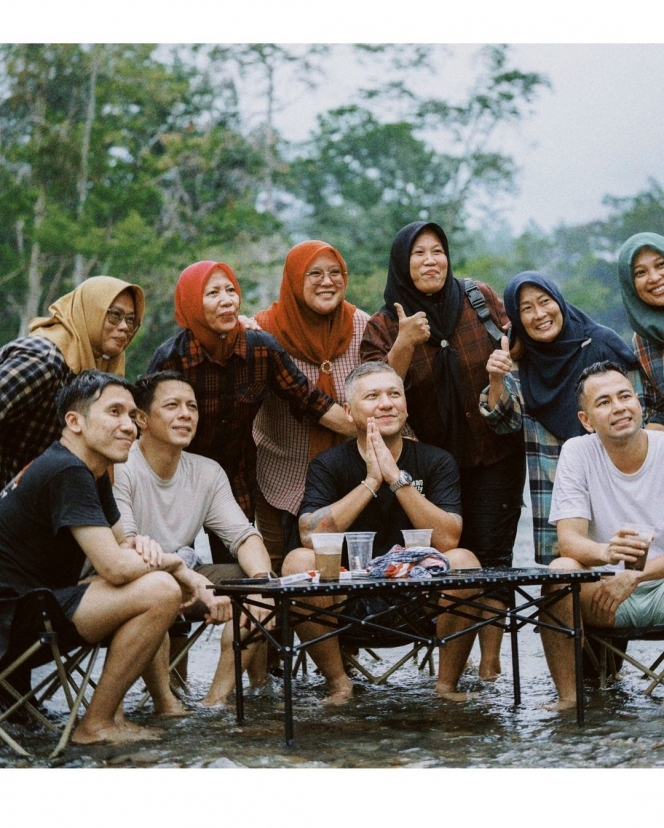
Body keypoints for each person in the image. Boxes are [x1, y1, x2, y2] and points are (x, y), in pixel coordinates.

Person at [360, 221, 525, 679]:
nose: (430, 261)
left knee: (492, 560)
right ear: (400, 264)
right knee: (442, 561)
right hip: (429, 465)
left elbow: (517, 345)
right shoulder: (383, 324)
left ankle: (490, 669)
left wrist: (505, 368)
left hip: (494, 453)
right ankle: (450, 666)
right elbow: (375, 391)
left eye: (437, 251)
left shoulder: (478, 298)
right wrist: (405, 343)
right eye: (418, 254)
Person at [0, 370, 201, 745]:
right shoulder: (66, 470)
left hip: (33, 605)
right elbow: (115, 566)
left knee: (150, 582)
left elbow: (122, 546)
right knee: (158, 589)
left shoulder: (91, 470)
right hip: (12, 621)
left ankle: (119, 714)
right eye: (114, 412)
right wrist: (175, 565)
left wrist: (147, 554)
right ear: (74, 422)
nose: (129, 426)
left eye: (131, 415)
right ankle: (96, 725)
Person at [281, 362, 482, 704]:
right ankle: (339, 684)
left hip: (419, 601)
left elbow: (449, 540)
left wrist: (396, 479)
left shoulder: (436, 461)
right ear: (348, 411)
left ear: (406, 404)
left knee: (464, 561)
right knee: (297, 562)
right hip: (348, 602)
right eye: (372, 396)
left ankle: (446, 687)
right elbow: (309, 536)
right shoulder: (328, 464)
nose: (386, 403)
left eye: (394, 394)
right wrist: (371, 481)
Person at [147, 260, 355, 563]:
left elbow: (309, 398)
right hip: (177, 474)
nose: (226, 300)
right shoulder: (170, 358)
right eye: (213, 293)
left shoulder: (260, 347)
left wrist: (368, 430)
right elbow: (145, 423)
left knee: (236, 563)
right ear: (191, 302)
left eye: (231, 290)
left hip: (235, 476)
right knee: (175, 562)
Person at [112, 370, 275, 710]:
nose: (186, 414)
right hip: (129, 580)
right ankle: (167, 706)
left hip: (188, 575)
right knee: (156, 587)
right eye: (172, 405)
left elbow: (243, 536)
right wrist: (187, 578)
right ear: (141, 418)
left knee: (262, 591)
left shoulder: (206, 471)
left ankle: (215, 701)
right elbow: (124, 546)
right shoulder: (122, 467)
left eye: (192, 407)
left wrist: (262, 582)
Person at [481, 271, 641, 564]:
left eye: (544, 301)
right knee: (562, 572)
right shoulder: (520, 361)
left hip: (617, 483)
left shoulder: (601, 342)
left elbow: (638, 408)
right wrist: (495, 379)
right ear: (516, 317)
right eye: (526, 308)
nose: (539, 314)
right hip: (558, 490)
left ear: (559, 300)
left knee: (627, 568)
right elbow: (505, 423)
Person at [540, 361, 664, 710]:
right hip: (605, 593)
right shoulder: (577, 452)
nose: (619, 407)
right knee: (560, 570)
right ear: (587, 420)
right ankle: (570, 698)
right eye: (604, 401)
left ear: (639, 403)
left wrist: (638, 575)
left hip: (660, 583)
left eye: (625, 396)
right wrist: (607, 552)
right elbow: (569, 541)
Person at [251, 240, 369, 573]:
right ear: (293, 279)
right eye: (314, 273)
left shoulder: (361, 325)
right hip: (281, 472)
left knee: (346, 570)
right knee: (279, 571)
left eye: (335, 273)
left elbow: (382, 388)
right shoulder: (263, 329)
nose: (327, 281)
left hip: (348, 476)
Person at [0, 276, 145, 488]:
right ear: (91, 312)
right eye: (115, 315)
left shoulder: (98, 370)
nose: (124, 327)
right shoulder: (45, 359)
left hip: (32, 502)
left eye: (131, 320)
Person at [618, 232, 664, 429]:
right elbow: (658, 405)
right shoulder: (642, 339)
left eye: (661, 265)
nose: (654, 278)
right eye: (640, 273)